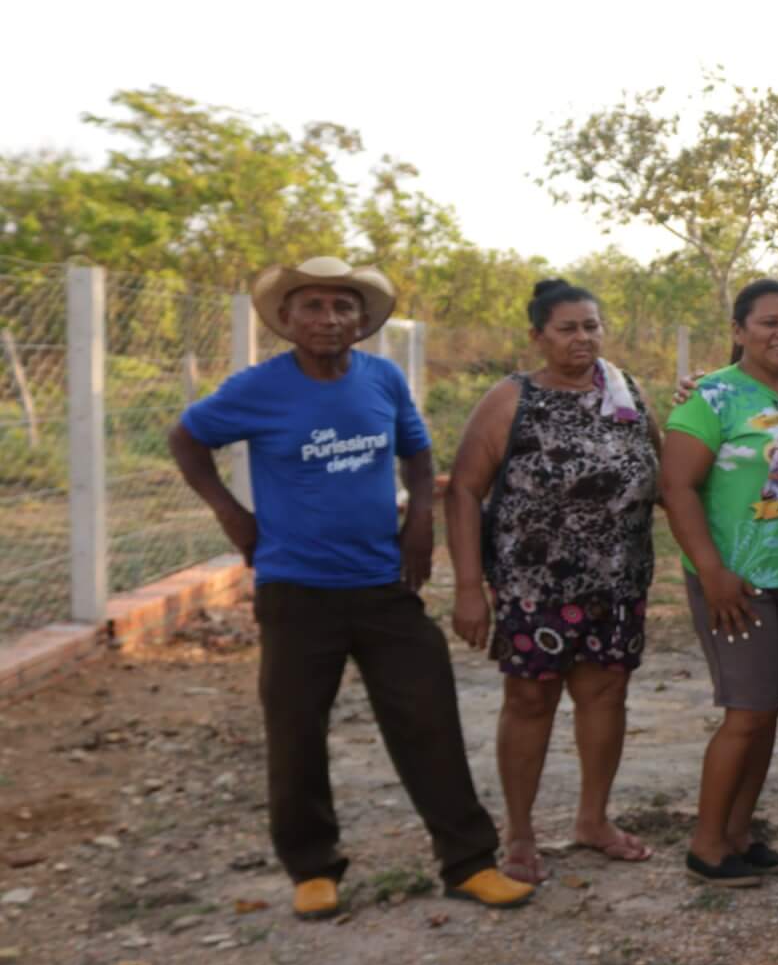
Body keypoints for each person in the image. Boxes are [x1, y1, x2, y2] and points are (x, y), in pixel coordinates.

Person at [167, 256, 532, 919]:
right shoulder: (258, 389)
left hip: (383, 585)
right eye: (312, 305)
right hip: (296, 590)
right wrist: (230, 513)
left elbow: (416, 452)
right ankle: (312, 869)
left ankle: (469, 862)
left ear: (363, 320)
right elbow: (186, 438)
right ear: (286, 319)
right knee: (296, 732)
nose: (328, 318)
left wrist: (419, 520)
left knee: (428, 717)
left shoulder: (382, 378)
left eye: (343, 306)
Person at [445, 279, 662, 884]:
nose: (582, 338)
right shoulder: (511, 398)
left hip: (617, 583)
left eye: (591, 326)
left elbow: (665, 472)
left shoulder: (626, 391)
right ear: (538, 336)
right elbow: (463, 490)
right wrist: (468, 587)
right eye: (567, 328)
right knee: (530, 701)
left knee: (605, 696)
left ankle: (593, 820)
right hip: (533, 588)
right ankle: (519, 833)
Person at [662, 279, 778, 887]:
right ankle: (706, 846)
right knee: (746, 714)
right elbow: (676, 486)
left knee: (766, 712)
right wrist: (712, 570)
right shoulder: (711, 397)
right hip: (736, 584)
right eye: (769, 322)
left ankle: (739, 833)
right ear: (739, 331)